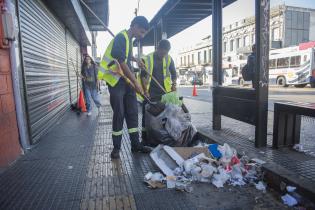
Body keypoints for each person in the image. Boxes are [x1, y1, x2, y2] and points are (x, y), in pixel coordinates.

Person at [98, 16, 152, 159]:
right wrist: (136, 83)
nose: (142, 35)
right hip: (116, 81)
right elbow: (121, 62)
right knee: (119, 113)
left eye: (144, 33)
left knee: (133, 112)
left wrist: (136, 60)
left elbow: (126, 57)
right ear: (133, 26)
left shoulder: (128, 40)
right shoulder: (121, 38)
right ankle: (116, 148)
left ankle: (136, 145)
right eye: (141, 32)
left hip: (125, 81)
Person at [139, 39, 177, 143]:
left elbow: (174, 73)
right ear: (158, 49)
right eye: (162, 52)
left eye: (166, 53)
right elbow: (142, 76)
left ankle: (161, 137)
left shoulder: (169, 59)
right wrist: (145, 91)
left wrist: (174, 84)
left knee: (164, 116)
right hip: (150, 93)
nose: (163, 55)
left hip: (164, 93)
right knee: (147, 116)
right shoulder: (148, 58)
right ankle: (145, 138)